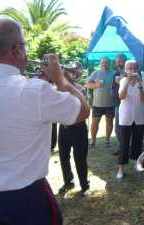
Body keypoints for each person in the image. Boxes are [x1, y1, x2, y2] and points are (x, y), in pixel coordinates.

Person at [0, 18, 89, 225]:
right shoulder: (35, 90)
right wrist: (61, 79)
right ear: (17, 49)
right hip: (26, 195)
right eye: (25, 45)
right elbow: (83, 111)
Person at [58, 62, 90, 197]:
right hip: (64, 127)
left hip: (78, 128)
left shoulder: (80, 88)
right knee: (63, 157)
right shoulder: (57, 88)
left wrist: (68, 82)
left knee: (80, 158)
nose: (68, 74)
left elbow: (82, 107)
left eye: (71, 72)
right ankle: (68, 181)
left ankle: (84, 184)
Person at [116, 60, 144, 179]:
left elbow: (143, 98)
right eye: (129, 68)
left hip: (139, 116)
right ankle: (120, 168)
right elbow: (121, 96)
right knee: (124, 143)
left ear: (138, 69)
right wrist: (128, 82)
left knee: (137, 141)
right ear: (125, 70)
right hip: (126, 116)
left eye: (134, 68)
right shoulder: (123, 80)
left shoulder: (143, 80)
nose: (132, 71)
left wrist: (139, 85)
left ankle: (137, 163)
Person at [86, 57, 116, 146]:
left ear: (109, 63)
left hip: (110, 103)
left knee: (109, 123)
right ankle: (93, 140)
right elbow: (87, 84)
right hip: (97, 104)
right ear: (100, 63)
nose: (104, 64)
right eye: (102, 62)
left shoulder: (114, 73)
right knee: (94, 123)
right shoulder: (95, 73)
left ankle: (107, 140)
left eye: (106, 62)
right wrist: (96, 85)